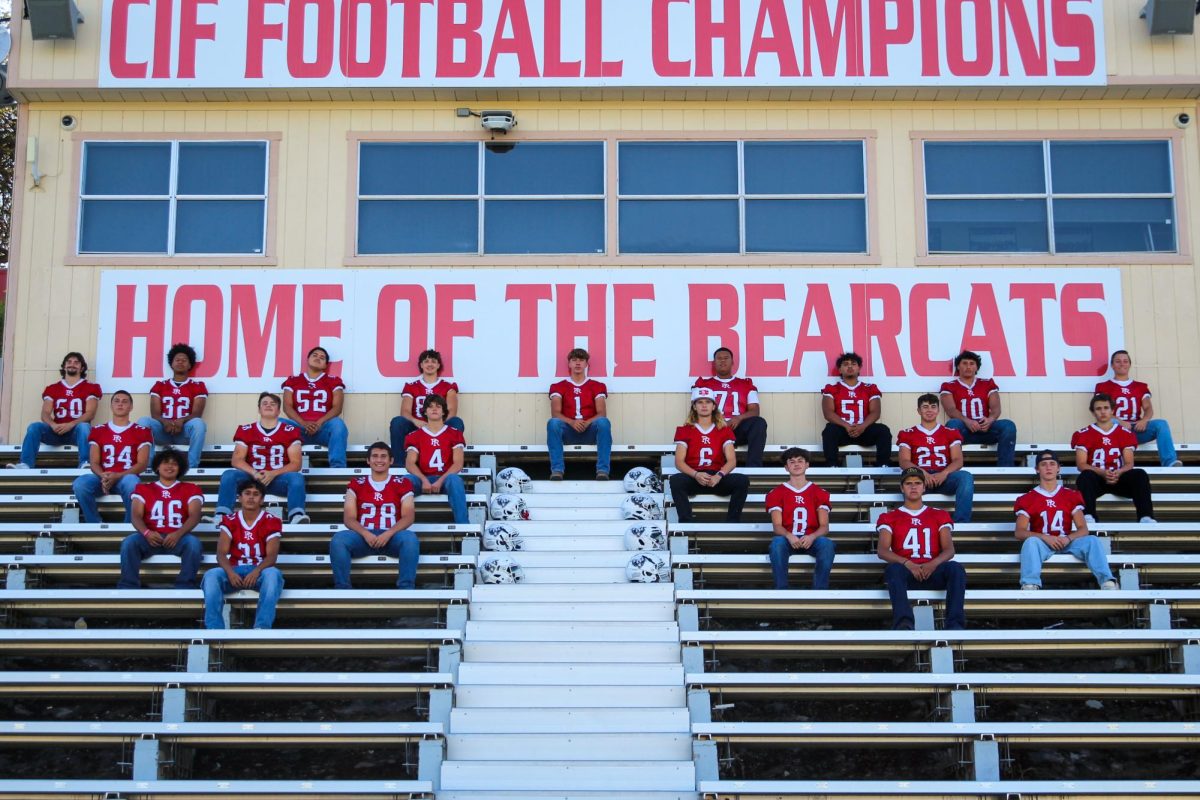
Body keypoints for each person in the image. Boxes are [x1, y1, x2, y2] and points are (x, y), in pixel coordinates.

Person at [876, 467, 966, 631]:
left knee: (956, 569)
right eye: (908, 483)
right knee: (893, 569)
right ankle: (904, 623)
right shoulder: (889, 517)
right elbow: (882, 550)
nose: (913, 487)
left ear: (924, 487)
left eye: (918, 483)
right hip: (907, 572)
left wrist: (933, 563)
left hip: (933, 571)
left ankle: (955, 624)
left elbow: (949, 550)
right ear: (902, 488)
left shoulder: (939, 515)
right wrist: (908, 563)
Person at [1015, 450, 1117, 591]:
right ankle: (1030, 583)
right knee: (1031, 542)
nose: (1048, 467)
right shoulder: (1028, 498)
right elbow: (1019, 532)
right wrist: (1045, 537)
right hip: (1042, 544)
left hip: (1068, 542)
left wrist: (1068, 538)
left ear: (1058, 468)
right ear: (1037, 469)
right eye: (1043, 464)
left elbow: (1083, 528)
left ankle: (1107, 580)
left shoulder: (1070, 495)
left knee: (1092, 540)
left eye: (1052, 464)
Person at [329, 442, 418, 589]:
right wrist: (365, 533)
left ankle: (406, 587)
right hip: (363, 537)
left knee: (410, 539)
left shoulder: (402, 484)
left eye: (384, 456)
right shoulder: (356, 484)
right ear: (368, 460)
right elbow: (348, 518)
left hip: (391, 537)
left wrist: (388, 533)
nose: (379, 460)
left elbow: (408, 516)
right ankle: (342, 587)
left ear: (391, 461)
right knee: (339, 539)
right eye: (375, 456)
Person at [212, 392, 309, 525]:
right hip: (252, 478)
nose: (268, 405)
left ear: (278, 411)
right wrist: (255, 473)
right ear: (259, 409)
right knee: (229, 475)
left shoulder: (290, 430)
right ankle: (222, 515)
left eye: (273, 404)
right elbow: (237, 460)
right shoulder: (246, 430)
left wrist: (273, 473)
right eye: (265, 403)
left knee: (297, 477)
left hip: (278, 480)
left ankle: (297, 515)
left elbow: (296, 463)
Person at [117, 448, 204, 589]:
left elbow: (195, 516)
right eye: (165, 462)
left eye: (174, 464)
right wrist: (147, 533)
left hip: (178, 538)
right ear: (157, 466)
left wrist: (178, 534)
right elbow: (135, 516)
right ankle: (128, 585)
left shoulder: (191, 489)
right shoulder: (143, 489)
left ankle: (185, 585)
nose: (170, 466)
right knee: (129, 543)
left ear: (180, 468)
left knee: (193, 544)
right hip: (150, 537)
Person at [203, 481, 284, 630]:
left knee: (273, 574)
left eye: (256, 494)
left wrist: (256, 571)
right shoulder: (230, 520)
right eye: (247, 493)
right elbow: (221, 554)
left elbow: (272, 556)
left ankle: (262, 626)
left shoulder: (271, 521)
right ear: (239, 497)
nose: (251, 498)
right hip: (235, 569)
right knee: (211, 575)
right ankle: (214, 628)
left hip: (260, 571)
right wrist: (230, 573)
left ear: (262, 499)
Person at [1071, 393, 1155, 524]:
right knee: (1085, 476)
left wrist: (1119, 472)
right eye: (1098, 409)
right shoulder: (1083, 434)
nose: (1103, 411)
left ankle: (1145, 516)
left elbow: (1129, 463)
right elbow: (1081, 464)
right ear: (1093, 412)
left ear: (1112, 410)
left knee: (1140, 474)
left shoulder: (1125, 433)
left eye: (1106, 408)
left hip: (1118, 478)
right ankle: (1088, 516)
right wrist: (1102, 473)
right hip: (1097, 480)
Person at [669, 387, 750, 523]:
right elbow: (679, 462)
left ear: (714, 406)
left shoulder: (723, 430)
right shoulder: (685, 430)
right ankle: (686, 521)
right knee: (676, 480)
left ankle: (732, 521)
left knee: (742, 481)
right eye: (700, 402)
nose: (704, 405)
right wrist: (696, 474)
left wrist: (719, 475)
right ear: (694, 406)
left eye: (708, 401)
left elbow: (731, 461)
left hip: (716, 477)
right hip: (695, 476)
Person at [10, 352, 102, 469]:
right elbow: (45, 413)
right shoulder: (53, 388)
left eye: (76, 362)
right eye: (69, 362)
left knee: (84, 427)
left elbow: (90, 414)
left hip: (76, 432)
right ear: (64, 366)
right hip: (56, 431)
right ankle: (26, 463)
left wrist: (70, 424)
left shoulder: (91, 387)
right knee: (34, 427)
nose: (72, 364)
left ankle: (85, 463)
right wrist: (53, 425)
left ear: (82, 367)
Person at [73, 391, 153, 523]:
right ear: (111, 406)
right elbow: (94, 462)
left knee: (132, 482)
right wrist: (104, 476)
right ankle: (94, 522)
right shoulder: (98, 430)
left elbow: (142, 464)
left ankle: (130, 523)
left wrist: (118, 476)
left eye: (125, 401)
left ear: (131, 407)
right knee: (80, 484)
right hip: (103, 477)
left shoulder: (142, 431)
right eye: (116, 401)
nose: (120, 404)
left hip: (126, 478)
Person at [1095, 350, 1182, 468]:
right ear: (1112, 365)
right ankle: (1112, 463)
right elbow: (1101, 411)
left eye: (1125, 361)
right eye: (1118, 361)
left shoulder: (1140, 386)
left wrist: (1144, 420)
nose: (1122, 364)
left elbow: (1148, 408)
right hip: (1116, 428)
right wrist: (1121, 422)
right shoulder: (1103, 386)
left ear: (1129, 365)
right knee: (1111, 422)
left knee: (1161, 424)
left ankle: (1169, 462)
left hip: (1135, 428)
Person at [897, 394, 975, 523]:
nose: (929, 410)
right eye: (925, 407)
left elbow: (958, 460)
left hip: (944, 477)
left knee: (966, 477)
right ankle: (910, 520)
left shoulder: (950, 432)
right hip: (919, 477)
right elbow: (904, 461)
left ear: (938, 410)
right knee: (908, 478)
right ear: (918, 410)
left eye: (933, 407)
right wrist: (921, 473)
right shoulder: (907, 433)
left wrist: (944, 473)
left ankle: (962, 522)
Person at [766, 447, 836, 590]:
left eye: (800, 461)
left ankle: (820, 590)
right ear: (786, 467)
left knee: (827, 544)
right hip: (788, 539)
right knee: (777, 543)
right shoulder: (776, 493)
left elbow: (824, 526)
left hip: (811, 539)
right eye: (792, 462)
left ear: (807, 465)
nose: (796, 464)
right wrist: (789, 535)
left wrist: (812, 537)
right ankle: (782, 588)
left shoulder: (818, 492)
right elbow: (777, 526)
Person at [692, 347, 769, 467]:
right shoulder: (703, 385)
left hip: (736, 428)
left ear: (732, 362)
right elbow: (696, 410)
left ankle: (754, 467)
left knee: (759, 423)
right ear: (714, 363)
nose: (722, 361)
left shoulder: (745, 384)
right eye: (719, 358)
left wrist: (738, 418)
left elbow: (755, 410)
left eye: (726, 358)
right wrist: (717, 420)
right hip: (713, 429)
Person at [939, 350, 1018, 467]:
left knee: (1008, 426)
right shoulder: (949, 386)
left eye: (972, 363)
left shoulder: (987, 384)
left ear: (977, 367)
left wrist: (990, 420)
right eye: (964, 363)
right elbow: (950, 410)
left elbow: (996, 409)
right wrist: (967, 421)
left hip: (986, 429)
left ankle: (1005, 467)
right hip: (964, 431)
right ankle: (954, 466)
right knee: (953, 424)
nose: (968, 367)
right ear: (958, 367)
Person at [389, 349, 465, 466]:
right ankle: (400, 465)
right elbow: (405, 411)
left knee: (456, 422)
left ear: (438, 365)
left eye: (433, 361)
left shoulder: (447, 386)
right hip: (417, 426)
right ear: (421, 365)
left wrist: (439, 425)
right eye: (426, 361)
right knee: (397, 422)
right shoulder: (412, 386)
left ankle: (450, 463)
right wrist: (416, 421)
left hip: (440, 426)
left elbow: (451, 411)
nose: (430, 364)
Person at [139, 343, 208, 469]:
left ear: (190, 365)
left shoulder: (197, 386)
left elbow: (197, 413)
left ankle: (192, 466)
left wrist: (181, 421)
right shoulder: (160, 385)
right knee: (143, 421)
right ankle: (148, 464)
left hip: (184, 433)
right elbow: (155, 414)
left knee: (199, 423)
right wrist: (165, 422)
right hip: (163, 431)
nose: (180, 362)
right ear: (171, 363)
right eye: (177, 360)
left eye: (184, 360)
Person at [547, 348, 612, 481]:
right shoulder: (559, 386)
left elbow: (602, 413)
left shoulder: (596, 386)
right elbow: (555, 413)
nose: (578, 363)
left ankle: (603, 470)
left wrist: (587, 422)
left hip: (590, 432)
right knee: (553, 423)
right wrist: (572, 422)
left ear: (586, 364)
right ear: (569, 364)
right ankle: (557, 470)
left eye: (581, 360)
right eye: (574, 360)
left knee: (604, 422)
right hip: (568, 432)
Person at [404, 394, 469, 524]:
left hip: (445, 479)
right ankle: (400, 526)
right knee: (407, 481)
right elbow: (410, 464)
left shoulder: (454, 433)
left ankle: (463, 526)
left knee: (454, 480)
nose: (434, 409)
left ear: (444, 411)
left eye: (438, 406)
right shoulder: (415, 436)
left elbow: (458, 464)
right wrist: (424, 480)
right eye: (430, 406)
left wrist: (440, 481)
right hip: (424, 478)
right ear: (425, 411)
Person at [281, 346, 349, 468]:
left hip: (323, 429)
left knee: (338, 424)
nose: (318, 358)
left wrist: (318, 423)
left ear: (325, 365)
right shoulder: (293, 380)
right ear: (308, 359)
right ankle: (279, 465)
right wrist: (303, 423)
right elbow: (287, 407)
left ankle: (337, 467)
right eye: (315, 355)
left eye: (322, 357)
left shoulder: (333, 381)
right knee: (278, 423)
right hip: (299, 430)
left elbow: (337, 408)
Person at [821, 352, 891, 467]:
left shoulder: (869, 388)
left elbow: (876, 412)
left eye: (853, 364)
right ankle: (832, 465)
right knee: (829, 430)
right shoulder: (832, 389)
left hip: (864, 430)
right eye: (846, 364)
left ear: (859, 368)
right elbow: (828, 413)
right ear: (840, 369)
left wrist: (862, 427)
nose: (849, 366)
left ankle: (883, 464)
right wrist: (847, 426)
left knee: (883, 430)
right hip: (842, 430)